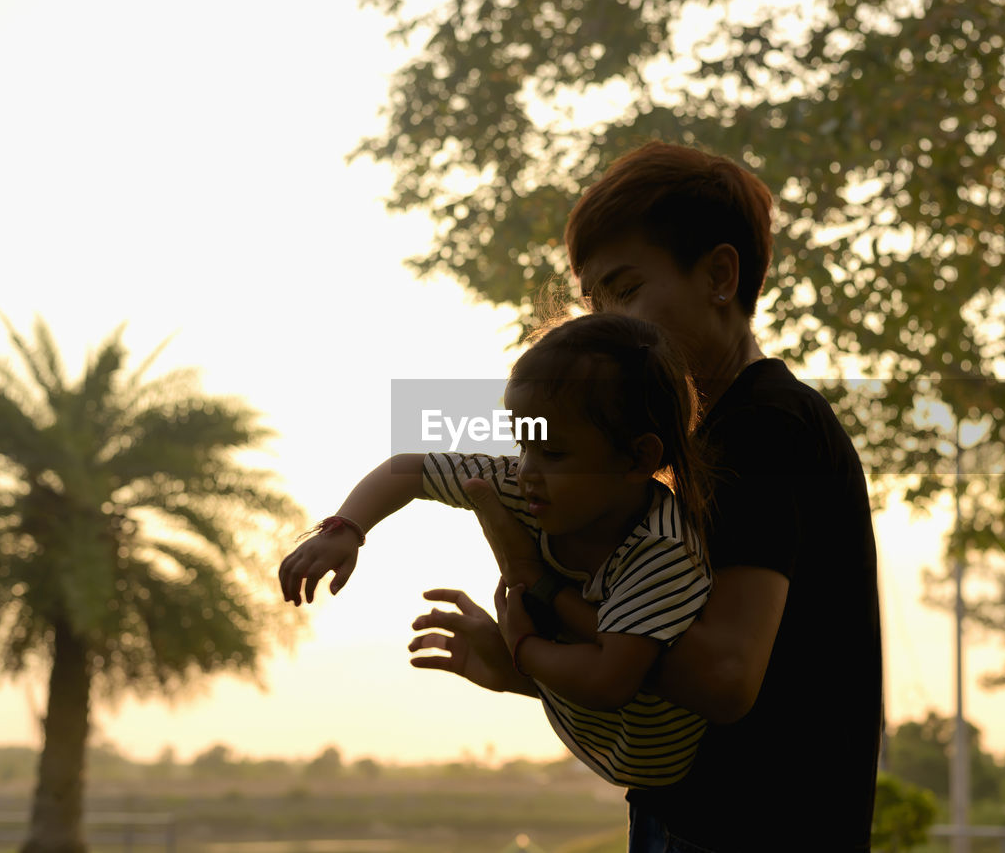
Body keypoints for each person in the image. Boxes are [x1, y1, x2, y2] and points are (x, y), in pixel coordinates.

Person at [407, 143, 882, 852]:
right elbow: (650, 662)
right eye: (594, 303)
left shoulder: (761, 428)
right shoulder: (688, 450)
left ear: (720, 275)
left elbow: (723, 677)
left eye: (625, 291)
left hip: (755, 828)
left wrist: (536, 608)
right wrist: (530, 666)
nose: (605, 327)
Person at [277, 312, 717, 789]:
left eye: (553, 453)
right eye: (523, 444)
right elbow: (407, 470)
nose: (526, 468)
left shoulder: (661, 550)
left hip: (662, 770)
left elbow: (607, 680)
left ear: (638, 459)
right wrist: (344, 529)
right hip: (604, 752)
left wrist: (519, 648)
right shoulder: (515, 485)